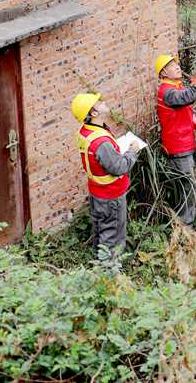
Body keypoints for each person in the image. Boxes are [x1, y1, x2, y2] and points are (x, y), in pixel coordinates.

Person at [71, 92, 141, 267]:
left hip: (98, 194)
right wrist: (132, 150)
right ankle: (110, 277)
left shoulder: (87, 131)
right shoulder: (101, 142)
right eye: (98, 102)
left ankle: (99, 269)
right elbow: (119, 167)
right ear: (93, 113)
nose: (103, 102)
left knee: (101, 234)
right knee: (113, 238)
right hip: (111, 198)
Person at [155, 53, 196, 226]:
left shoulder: (177, 87)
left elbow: (187, 112)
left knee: (188, 186)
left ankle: (187, 222)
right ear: (164, 72)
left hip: (185, 144)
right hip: (177, 148)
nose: (178, 67)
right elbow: (188, 97)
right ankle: (184, 226)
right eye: (173, 65)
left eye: (177, 64)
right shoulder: (167, 92)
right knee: (187, 187)